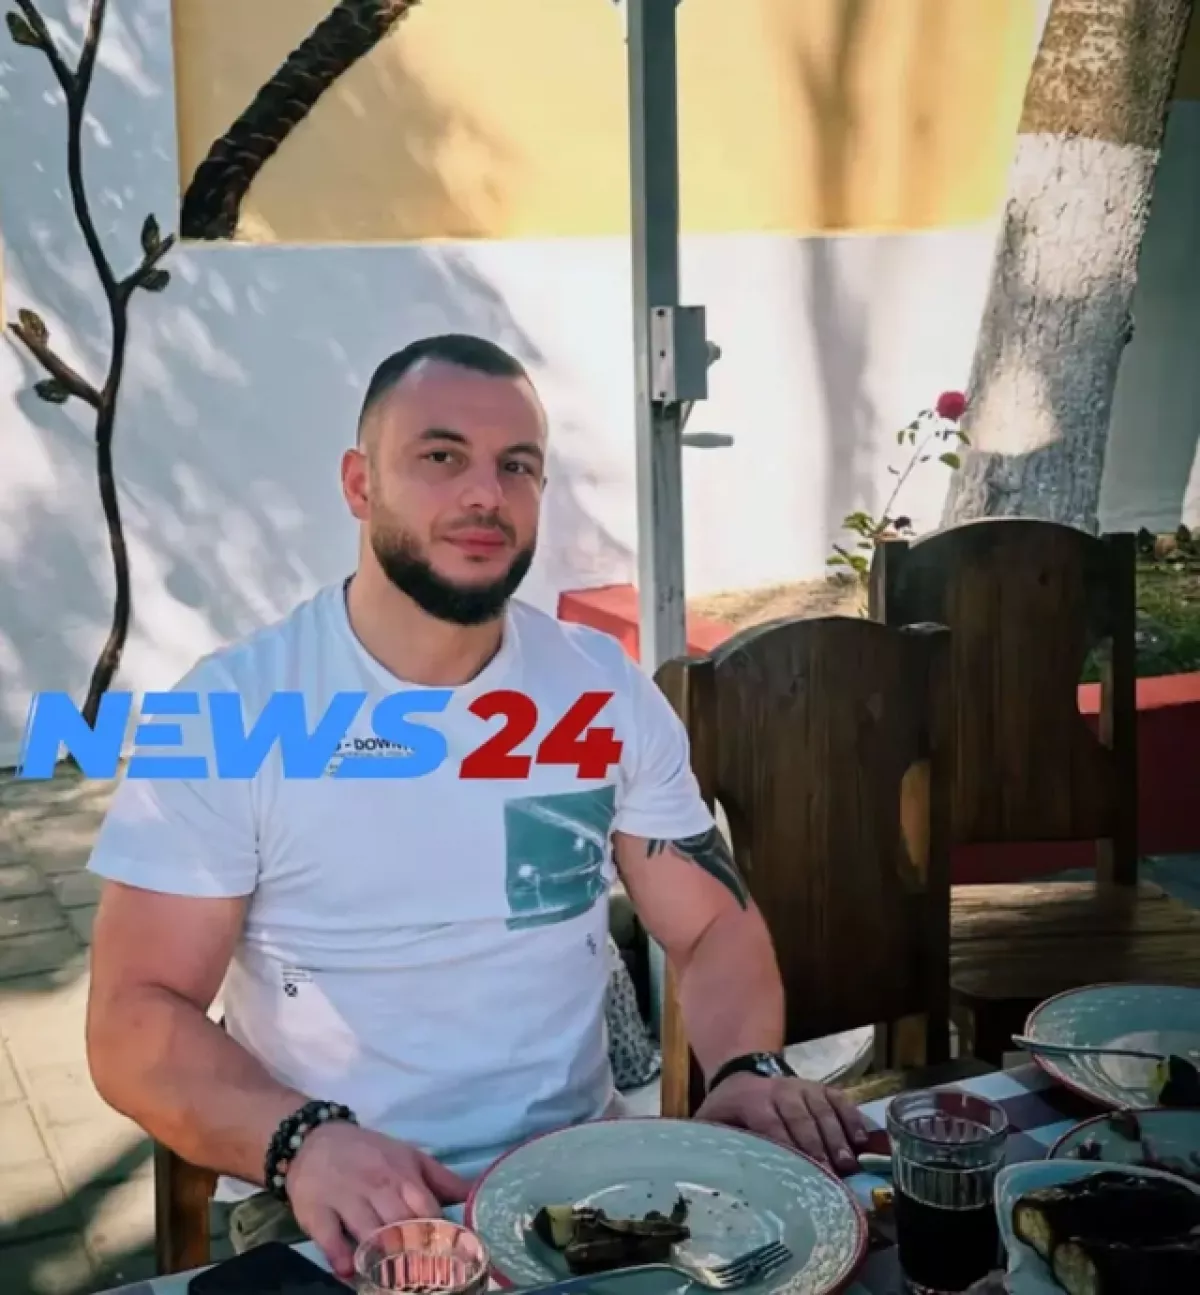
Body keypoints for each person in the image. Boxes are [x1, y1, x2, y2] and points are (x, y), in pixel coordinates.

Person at [84, 334, 867, 1280]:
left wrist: (744, 1066)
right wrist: (301, 1140)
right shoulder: (234, 709)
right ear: (360, 483)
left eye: (517, 466)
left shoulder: (599, 689)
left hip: (582, 1180)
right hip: (333, 1201)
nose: (485, 494)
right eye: (441, 456)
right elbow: (133, 1014)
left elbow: (713, 926)